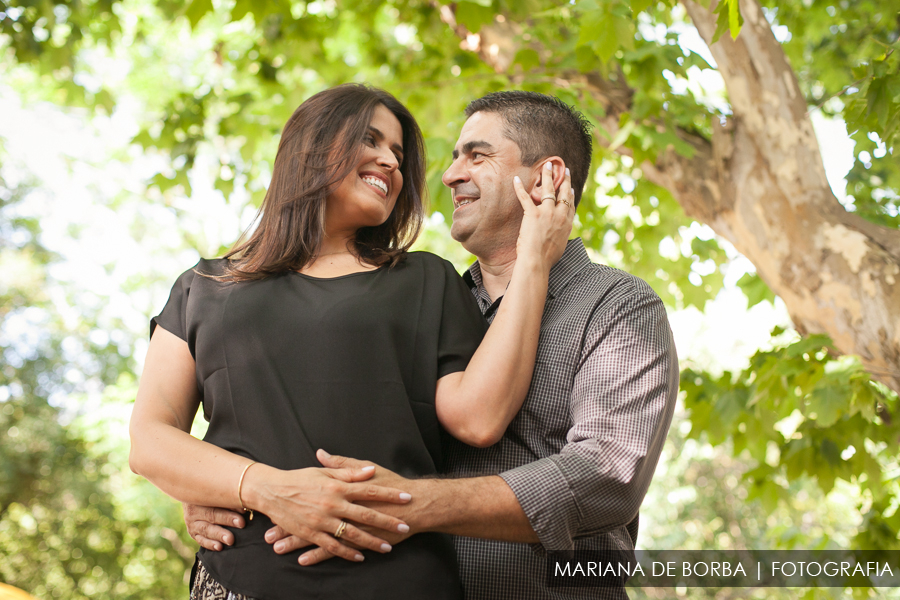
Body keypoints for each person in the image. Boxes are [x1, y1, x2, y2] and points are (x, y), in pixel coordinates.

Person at [184, 91, 678, 599]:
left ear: (546, 177)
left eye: (477, 155)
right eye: (454, 157)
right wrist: (230, 490)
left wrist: (413, 505)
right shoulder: (420, 300)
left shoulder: (617, 306)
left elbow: (605, 477)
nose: (448, 174)